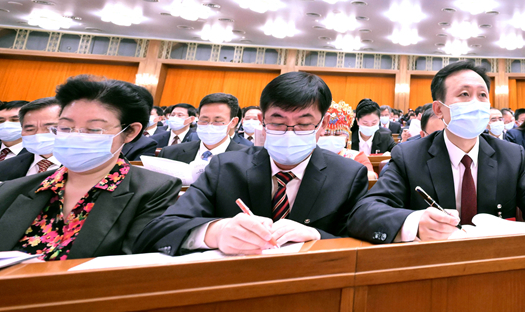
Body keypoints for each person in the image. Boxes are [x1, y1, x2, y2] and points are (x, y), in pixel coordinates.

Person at [135, 72, 369, 256]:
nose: (290, 132)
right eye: (277, 122)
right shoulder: (225, 167)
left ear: (323, 124)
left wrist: (317, 236)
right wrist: (214, 232)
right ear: (261, 120)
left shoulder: (348, 175)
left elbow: (362, 245)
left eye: (304, 124)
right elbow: (158, 231)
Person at [347, 60, 525, 243]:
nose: (476, 103)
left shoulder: (510, 154)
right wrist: (414, 223)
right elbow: (365, 212)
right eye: (464, 94)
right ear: (439, 109)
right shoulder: (409, 156)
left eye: (482, 95)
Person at [0, 76, 180, 260]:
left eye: (93, 130)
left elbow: (132, 265)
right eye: (65, 128)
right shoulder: (13, 189)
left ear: (130, 132)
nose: (75, 137)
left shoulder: (153, 191)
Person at [160, 93, 253, 164]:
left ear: (233, 122)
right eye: (204, 120)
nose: (209, 125)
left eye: (217, 121)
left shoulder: (248, 158)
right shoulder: (170, 153)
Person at [0, 97, 61, 180]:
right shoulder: (6, 165)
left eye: (51, 128)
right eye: (30, 129)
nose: (38, 135)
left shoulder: (78, 169)